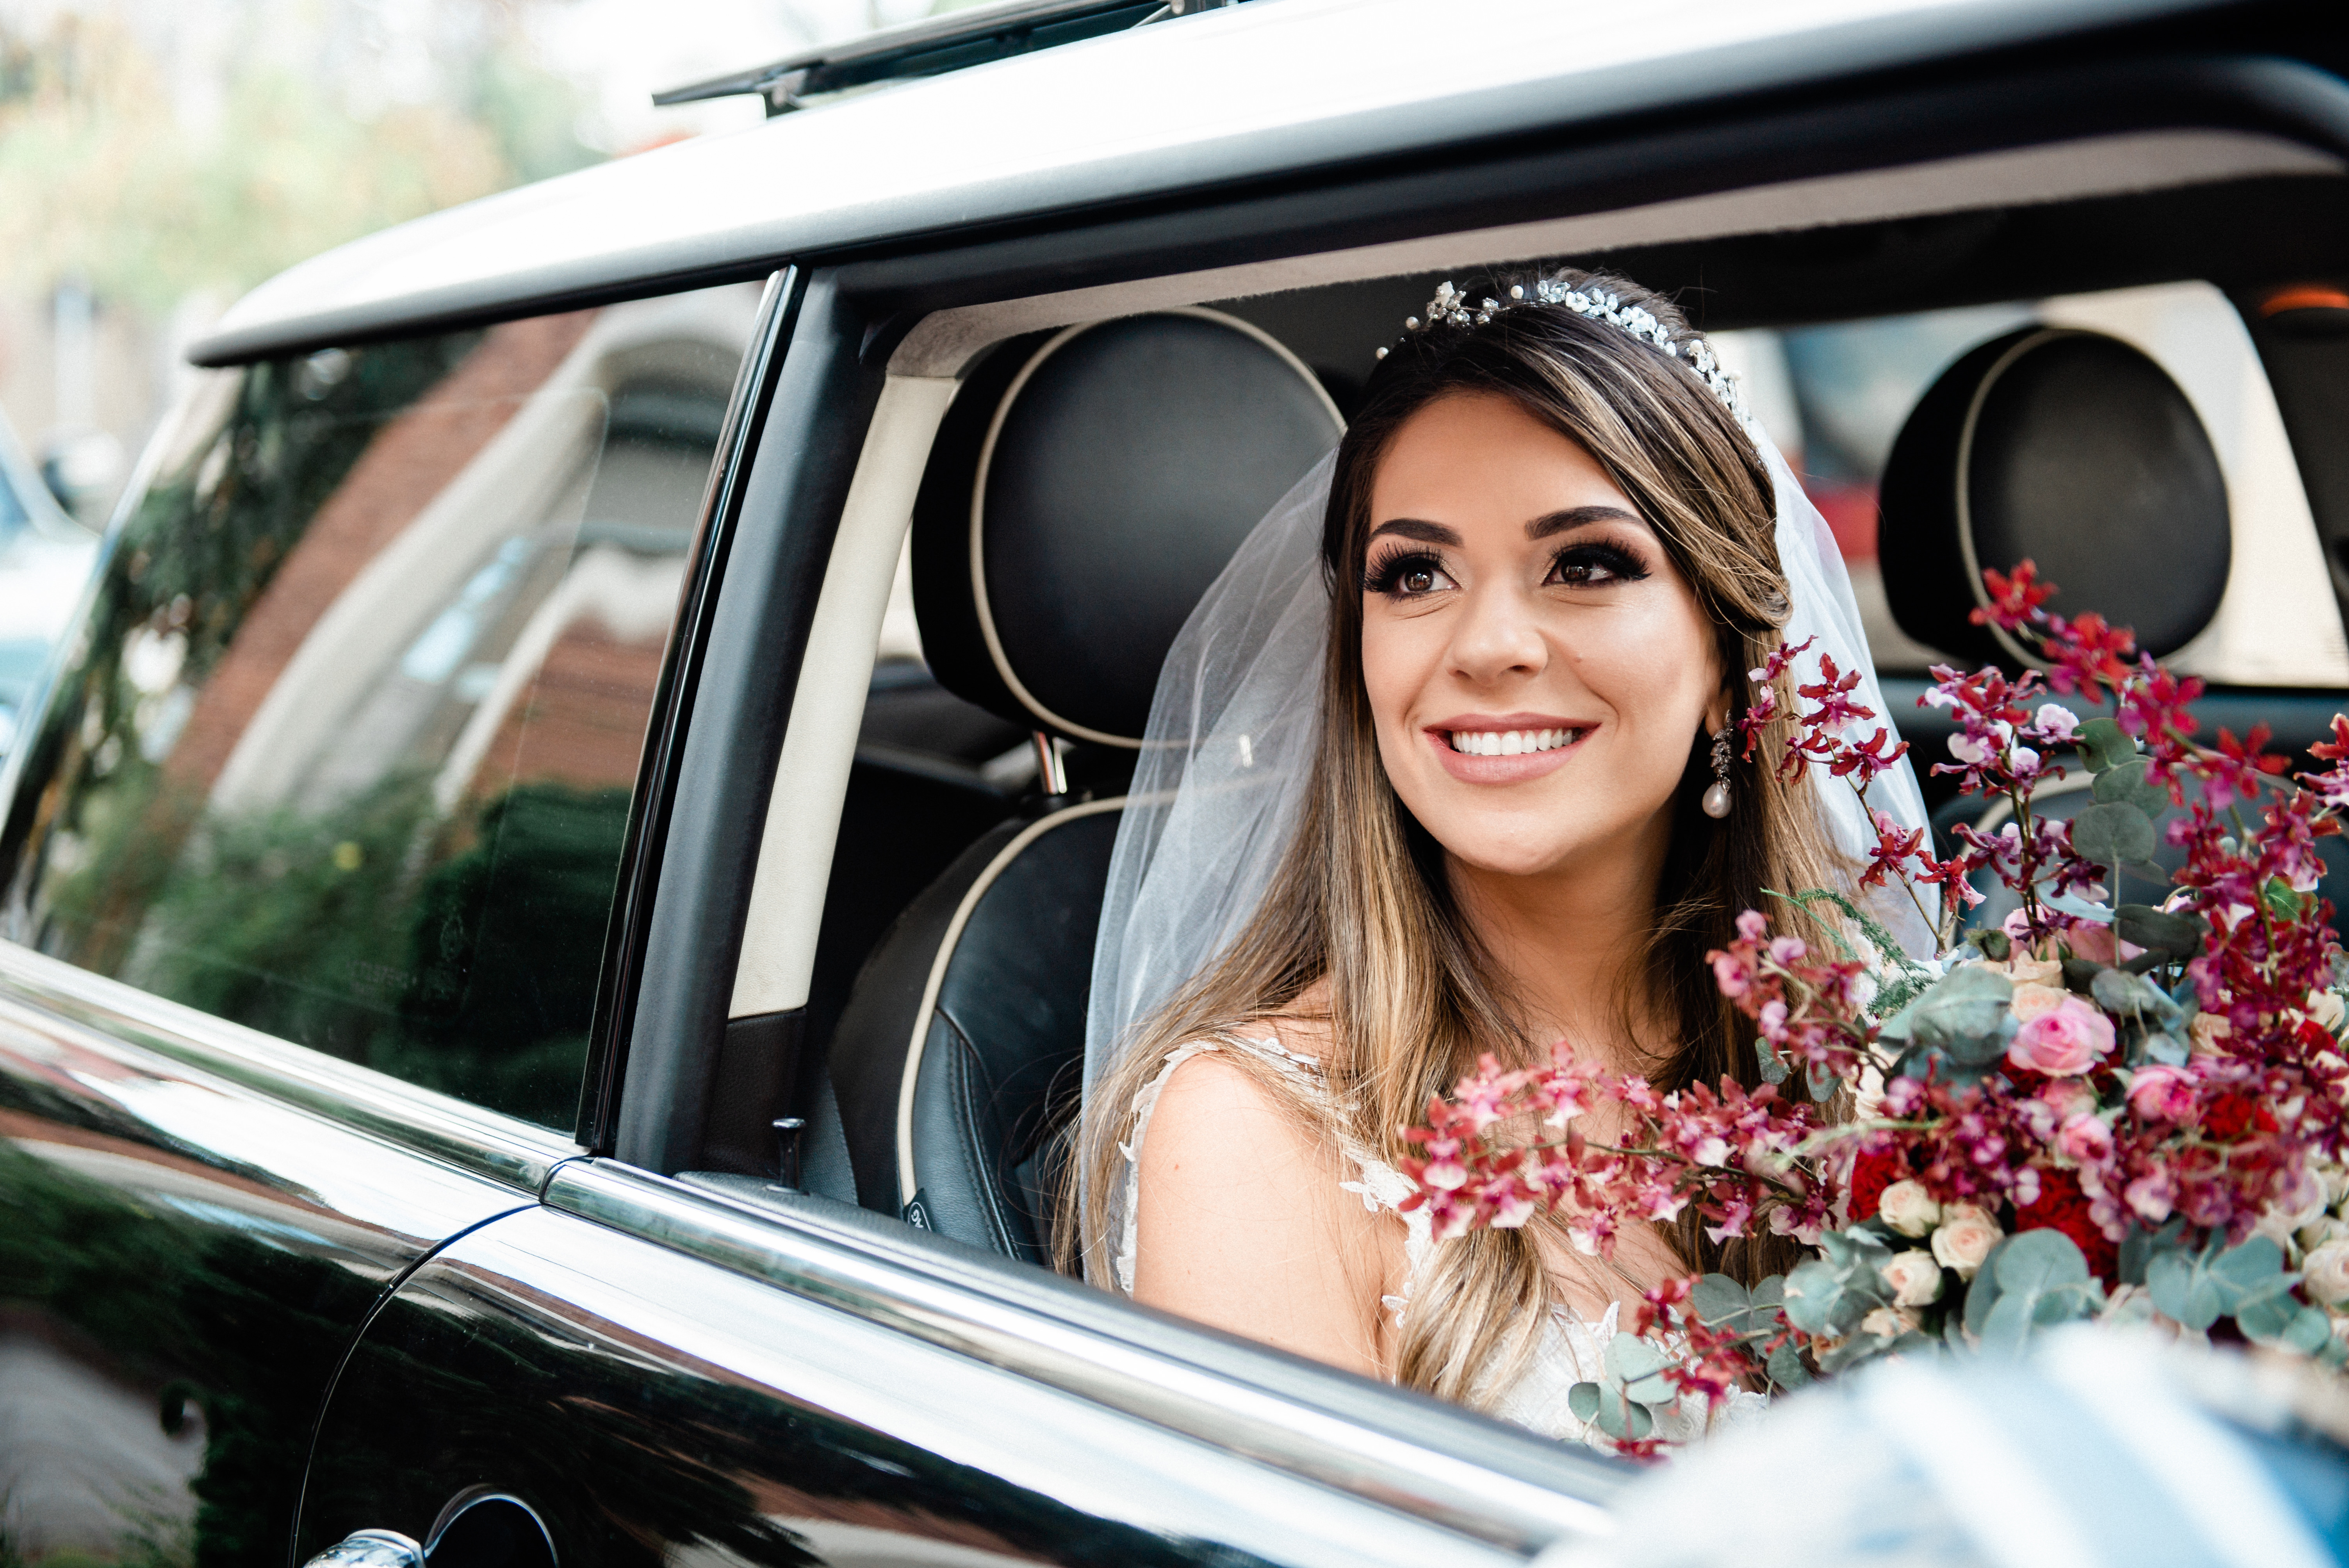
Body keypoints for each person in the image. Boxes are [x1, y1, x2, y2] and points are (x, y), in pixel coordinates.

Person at [1061, 269, 1930, 1446]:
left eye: (1584, 565)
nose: (1488, 645)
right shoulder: (1253, 1134)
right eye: (1414, 575)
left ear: (1730, 653)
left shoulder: (1875, 1052)